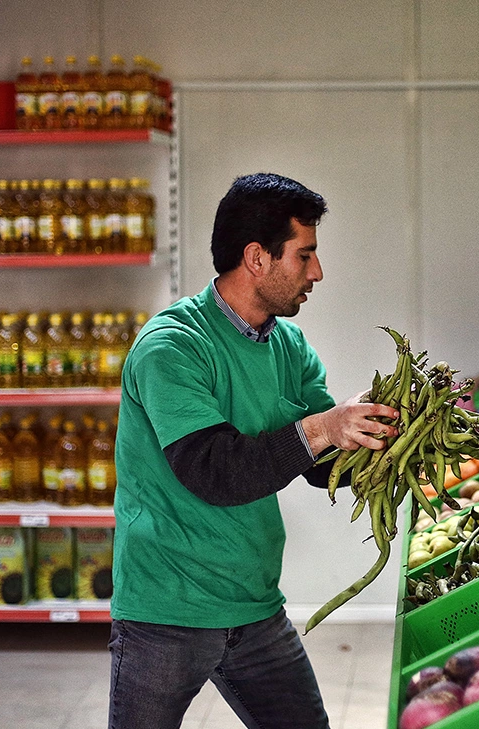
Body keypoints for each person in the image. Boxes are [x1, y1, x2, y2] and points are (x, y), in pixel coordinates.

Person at [107, 172, 398, 729]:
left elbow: (322, 465)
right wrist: (323, 428)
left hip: (253, 604)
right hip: (166, 610)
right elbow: (214, 472)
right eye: (304, 255)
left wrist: (387, 439)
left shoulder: (288, 344)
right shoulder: (171, 348)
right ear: (257, 258)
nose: (317, 272)